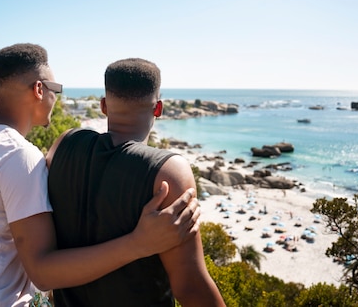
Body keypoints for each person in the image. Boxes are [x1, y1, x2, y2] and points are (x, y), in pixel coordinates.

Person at [0, 44, 200, 307]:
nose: (57, 97)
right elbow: (42, 273)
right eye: (56, 88)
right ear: (39, 89)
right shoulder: (19, 159)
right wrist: (138, 243)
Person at [47, 57, 226, 307]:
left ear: (103, 106)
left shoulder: (62, 145)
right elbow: (190, 287)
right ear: (158, 109)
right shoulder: (168, 172)